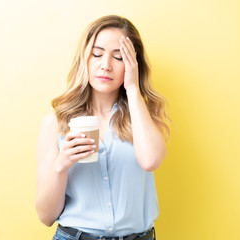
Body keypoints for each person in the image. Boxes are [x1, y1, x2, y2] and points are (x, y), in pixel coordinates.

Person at [35, 15, 170, 240]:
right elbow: (45, 215)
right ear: (85, 58)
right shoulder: (55, 124)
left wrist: (133, 89)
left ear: (132, 64)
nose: (105, 65)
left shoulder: (142, 118)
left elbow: (150, 161)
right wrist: (62, 165)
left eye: (118, 57)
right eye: (97, 54)